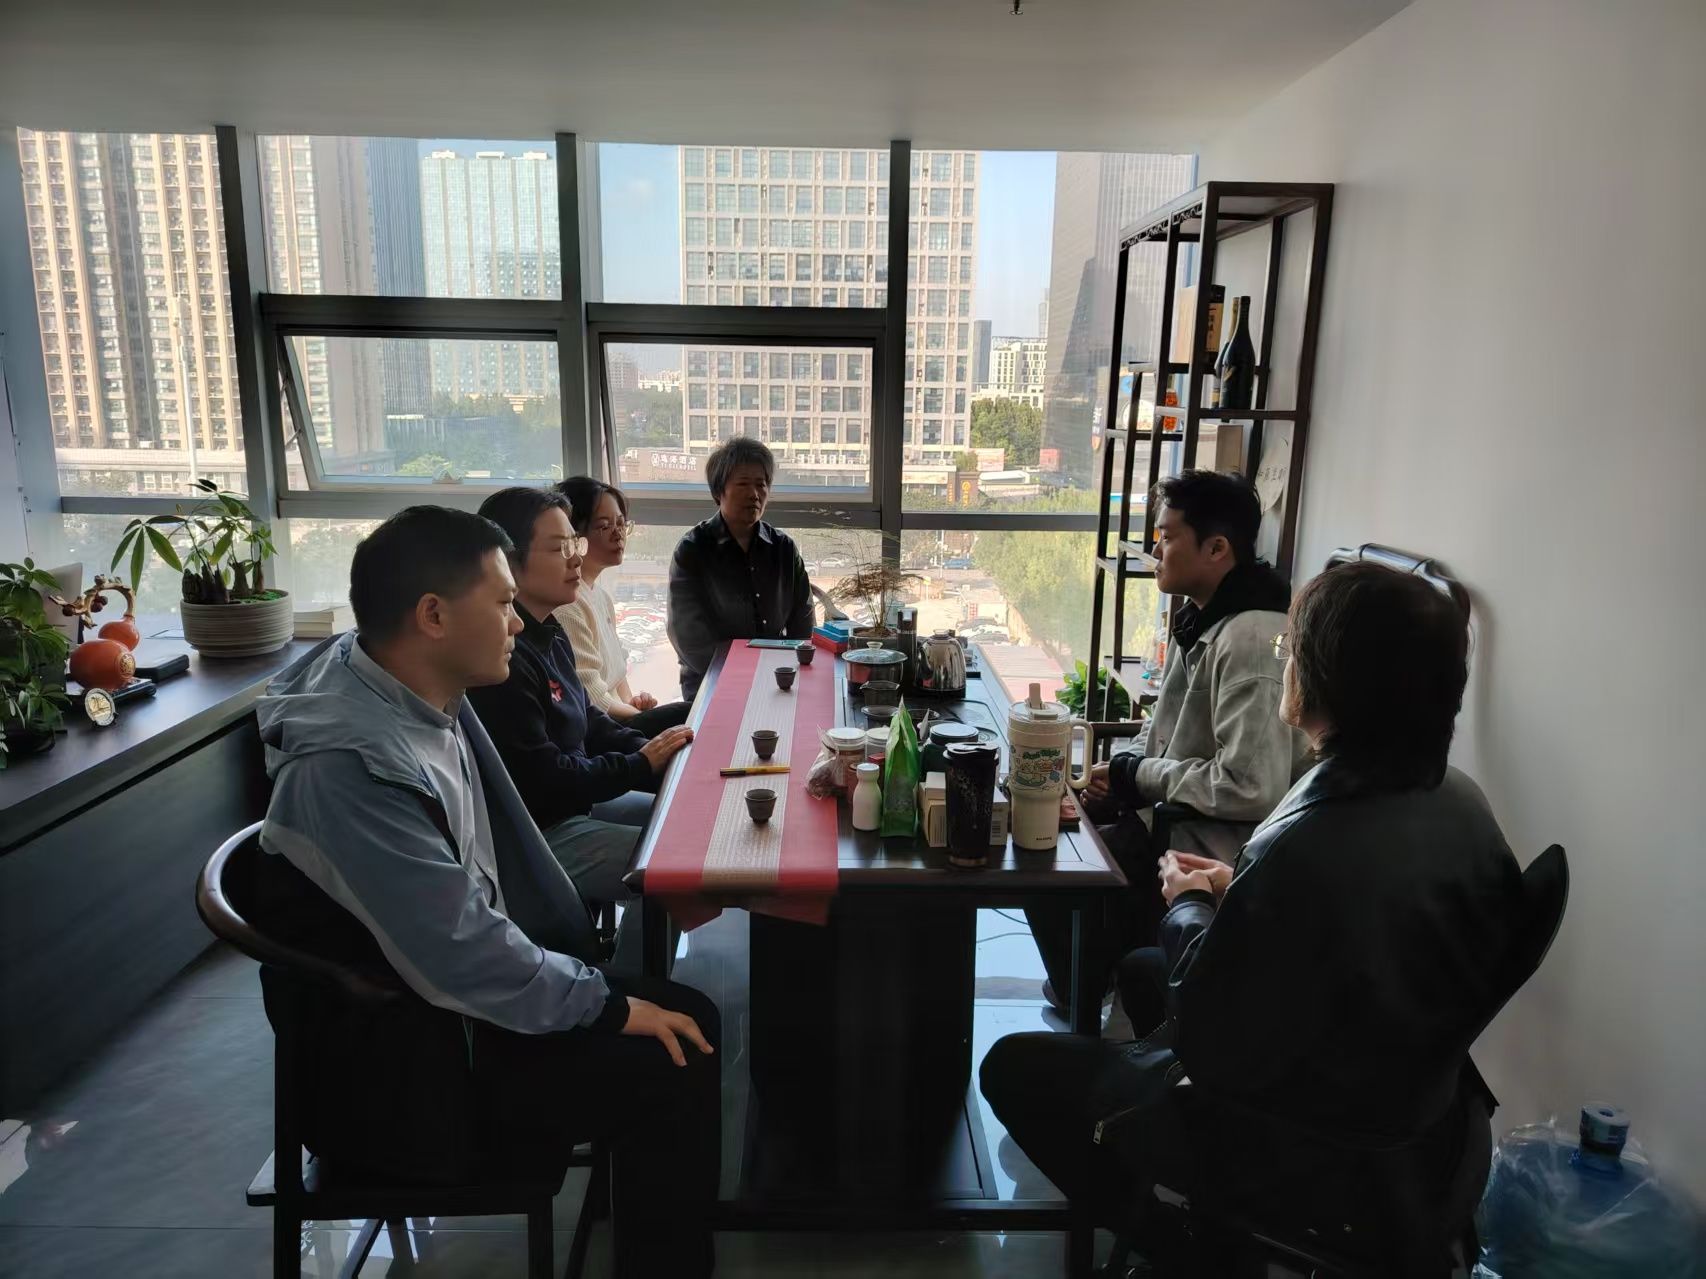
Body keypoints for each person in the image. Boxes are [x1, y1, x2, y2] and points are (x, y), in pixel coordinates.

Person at [983, 562, 1523, 1271]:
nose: (1285, 660)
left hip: (1304, 1137)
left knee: (1013, 1067)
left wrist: (1191, 902)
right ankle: (1204, 1211)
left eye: (1294, 647)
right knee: (1141, 969)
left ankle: (1186, 1250)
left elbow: (1209, 1022)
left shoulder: (1307, 836)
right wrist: (1236, 883)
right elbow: (1364, 924)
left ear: (1328, 681)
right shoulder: (1462, 801)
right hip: (1422, 1120)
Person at [253, 505, 719, 1278]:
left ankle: (648, 1232)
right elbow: (462, 952)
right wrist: (604, 1003)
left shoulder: (401, 684)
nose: (518, 622)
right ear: (433, 616)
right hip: (408, 1082)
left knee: (683, 1014)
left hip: (443, 1019)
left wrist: (593, 990)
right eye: (502, 603)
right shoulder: (353, 768)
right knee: (678, 1047)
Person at [1027, 469, 1311, 1016]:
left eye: (1167, 536)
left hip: (1207, 840)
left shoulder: (1253, 641)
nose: (1155, 550)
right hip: (1169, 813)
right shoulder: (1204, 617)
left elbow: (1251, 786)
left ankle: (1086, 997)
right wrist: (1120, 772)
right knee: (1047, 829)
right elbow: (1162, 727)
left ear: (1217, 548)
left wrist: (1138, 776)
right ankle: (1086, 985)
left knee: (1052, 864)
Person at [466, 487, 693, 969]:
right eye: (558, 547)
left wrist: (652, 749)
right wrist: (640, 764)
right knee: (675, 867)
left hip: (576, 804)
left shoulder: (550, 634)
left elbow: (592, 721)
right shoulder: (504, 662)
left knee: (683, 818)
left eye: (575, 542)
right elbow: (548, 778)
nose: (575, 558)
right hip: (541, 832)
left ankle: (628, 966)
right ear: (509, 562)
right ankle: (628, 989)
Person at [667, 436, 814, 701]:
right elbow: (688, 637)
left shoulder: (783, 548)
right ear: (718, 491)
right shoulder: (692, 550)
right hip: (712, 682)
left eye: (761, 484)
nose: (754, 494)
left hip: (776, 678)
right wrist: (740, 678)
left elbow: (802, 623)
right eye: (744, 484)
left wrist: (789, 669)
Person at [555, 475, 691, 736]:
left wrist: (634, 703)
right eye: (604, 526)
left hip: (621, 719)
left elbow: (618, 679)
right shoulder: (567, 605)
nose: (618, 534)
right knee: (695, 714)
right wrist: (644, 718)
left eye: (621, 523)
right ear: (574, 535)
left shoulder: (602, 597)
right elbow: (593, 698)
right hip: (602, 730)